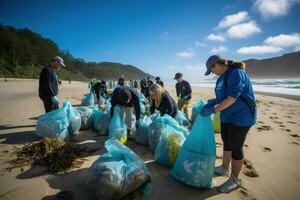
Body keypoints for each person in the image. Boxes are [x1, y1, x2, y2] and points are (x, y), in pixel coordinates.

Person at [201, 55, 256, 193]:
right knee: (227, 142)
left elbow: (232, 98)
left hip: (242, 116)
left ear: (217, 64)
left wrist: (214, 110)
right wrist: (213, 102)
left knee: (236, 146)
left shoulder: (236, 73)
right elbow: (222, 97)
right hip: (227, 116)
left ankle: (235, 179)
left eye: (211, 70)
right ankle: (225, 168)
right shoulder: (220, 79)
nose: (212, 73)